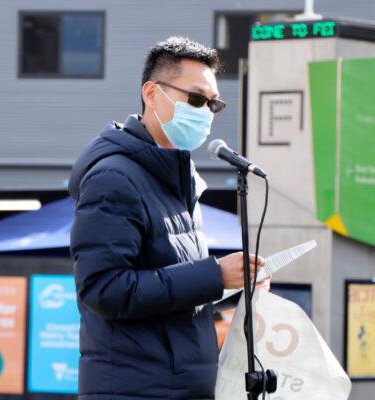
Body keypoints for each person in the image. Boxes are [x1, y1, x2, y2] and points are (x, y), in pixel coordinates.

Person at [69, 36, 265, 400]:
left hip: (179, 387)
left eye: (213, 103)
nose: (205, 111)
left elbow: (170, 289)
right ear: (151, 92)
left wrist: (231, 284)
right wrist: (213, 274)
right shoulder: (114, 177)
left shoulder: (177, 178)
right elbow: (104, 290)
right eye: (195, 98)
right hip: (135, 390)